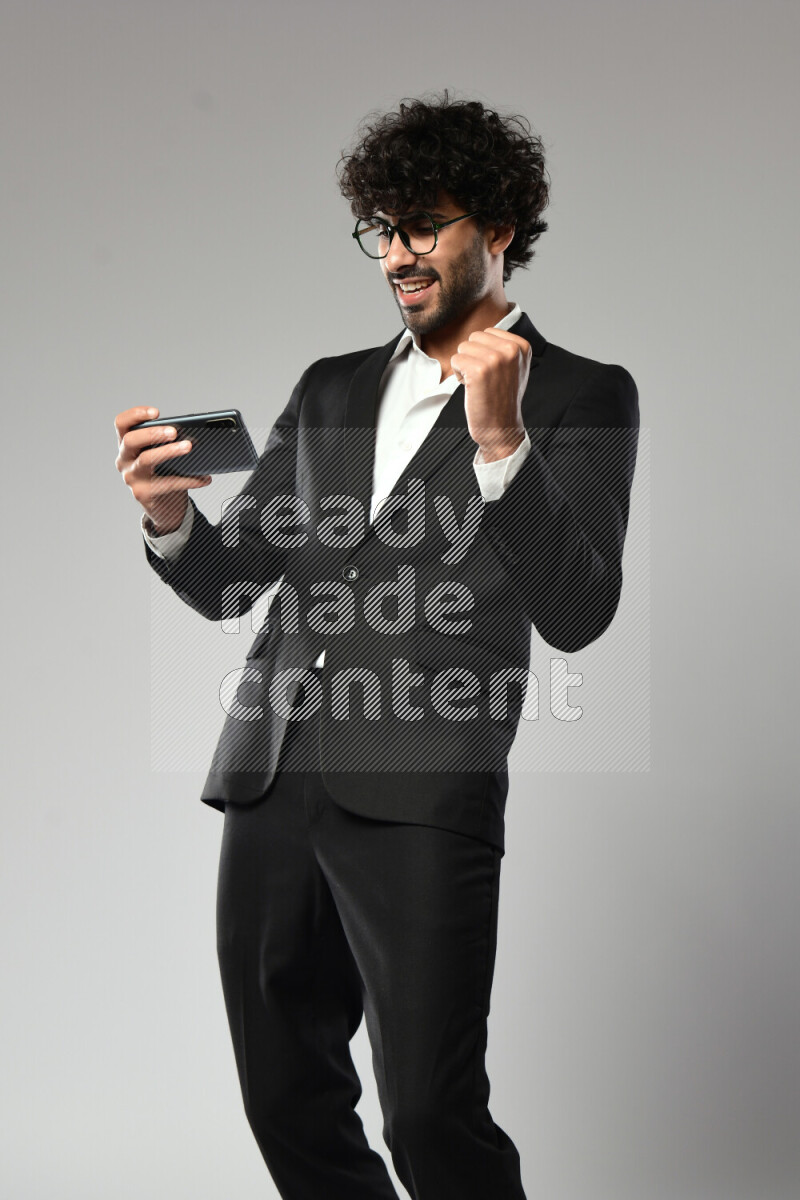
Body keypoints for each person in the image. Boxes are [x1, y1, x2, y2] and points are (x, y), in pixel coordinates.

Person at [115, 93, 639, 1200]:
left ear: (498, 227)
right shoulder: (331, 387)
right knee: (284, 1097)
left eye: (424, 227)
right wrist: (170, 520)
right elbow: (232, 582)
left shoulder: (583, 393)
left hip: (424, 783)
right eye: (383, 230)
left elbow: (578, 609)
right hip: (272, 771)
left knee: (429, 1115)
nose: (398, 254)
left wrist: (502, 444)